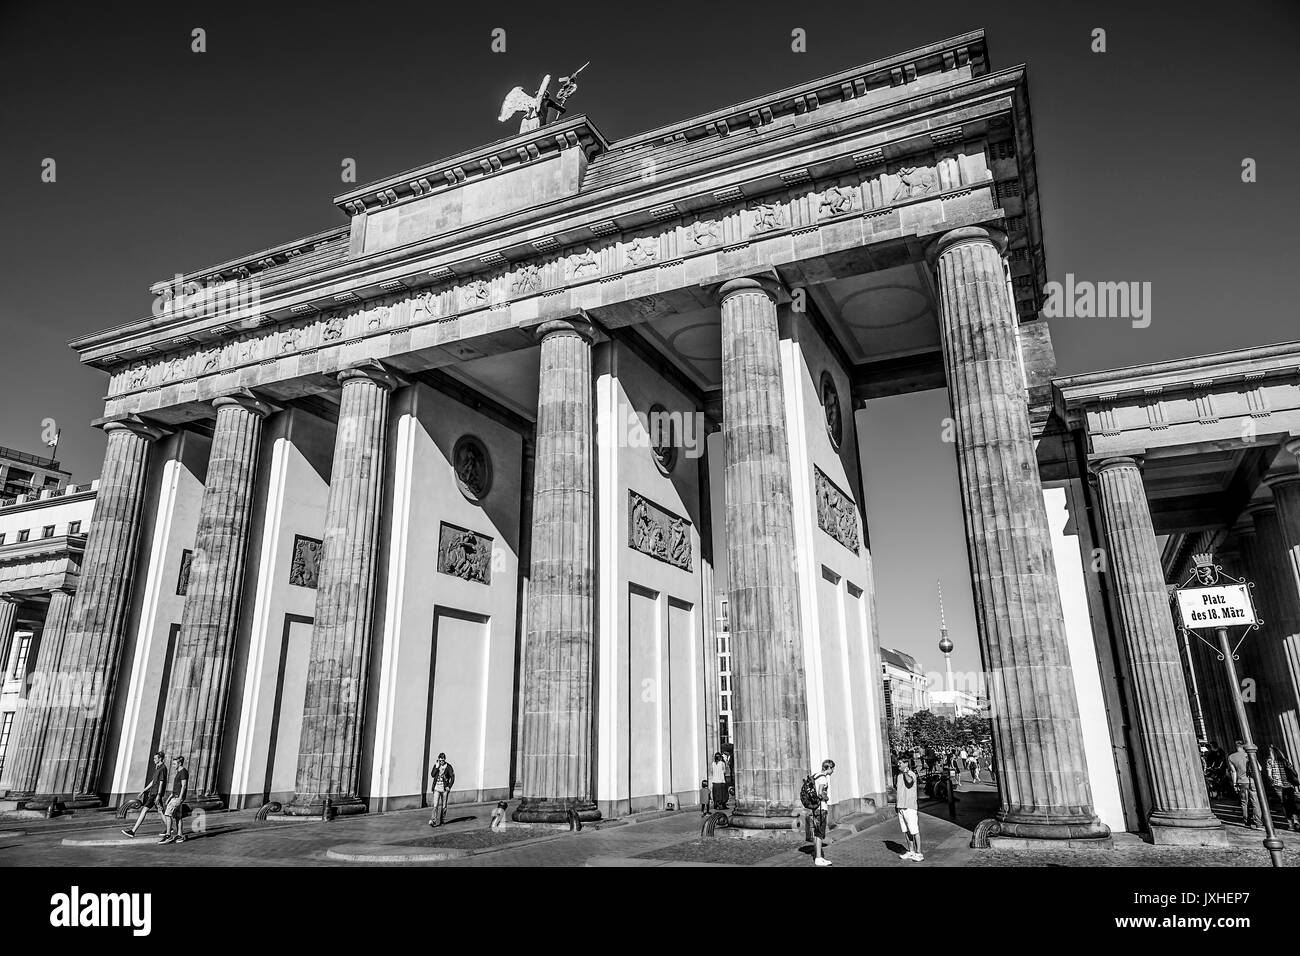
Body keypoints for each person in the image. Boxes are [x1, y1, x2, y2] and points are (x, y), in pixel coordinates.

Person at [121, 751, 167, 839]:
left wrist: (158, 795)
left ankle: (133, 831)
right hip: (154, 792)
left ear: (160, 758)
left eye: (155, 758)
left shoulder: (162, 768)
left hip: (155, 793)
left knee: (144, 811)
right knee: (161, 811)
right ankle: (170, 828)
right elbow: (153, 782)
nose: (153, 760)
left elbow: (161, 783)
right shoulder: (158, 768)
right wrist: (144, 790)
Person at [1265, 745, 1300, 832]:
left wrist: (1273, 781)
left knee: (1284, 804)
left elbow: (1269, 776)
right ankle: (1296, 821)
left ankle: (1290, 824)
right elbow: (1293, 772)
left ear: (1272, 753)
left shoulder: (1270, 761)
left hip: (1278, 786)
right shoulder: (1285, 760)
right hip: (1289, 785)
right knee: (1291, 803)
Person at [1227, 740, 1261, 828]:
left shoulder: (1231, 757)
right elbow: (1259, 768)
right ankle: (1258, 822)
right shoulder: (1250, 754)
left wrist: (1234, 784)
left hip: (1241, 782)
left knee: (1244, 802)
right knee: (1255, 802)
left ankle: (1247, 821)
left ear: (1236, 747)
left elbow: (1233, 772)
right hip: (1253, 781)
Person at [896, 755, 923, 861]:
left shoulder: (911, 774)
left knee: (914, 831)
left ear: (906, 763)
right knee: (906, 830)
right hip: (901, 807)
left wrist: (905, 771)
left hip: (910, 807)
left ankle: (919, 853)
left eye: (900, 763)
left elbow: (909, 782)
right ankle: (911, 851)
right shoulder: (898, 776)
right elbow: (900, 791)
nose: (898, 764)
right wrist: (897, 805)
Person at [810, 758, 836, 867]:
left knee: (817, 833)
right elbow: (820, 793)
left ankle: (818, 855)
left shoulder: (816, 776)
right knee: (819, 833)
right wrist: (826, 797)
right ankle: (819, 858)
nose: (833, 771)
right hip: (821, 808)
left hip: (816, 808)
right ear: (828, 768)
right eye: (832, 768)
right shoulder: (823, 779)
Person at [161, 755, 189, 845]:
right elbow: (176, 787)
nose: (173, 766)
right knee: (178, 817)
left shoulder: (183, 772)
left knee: (167, 814)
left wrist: (180, 798)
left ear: (179, 763)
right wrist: (169, 797)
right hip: (175, 796)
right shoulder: (179, 772)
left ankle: (168, 835)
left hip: (178, 797)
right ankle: (180, 835)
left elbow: (183, 786)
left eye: (174, 764)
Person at [429, 752, 455, 827]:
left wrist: (449, 786)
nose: (441, 762)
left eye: (442, 760)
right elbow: (432, 775)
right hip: (436, 789)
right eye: (440, 760)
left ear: (445, 760)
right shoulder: (437, 765)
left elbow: (452, 778)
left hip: (444, 790)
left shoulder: (449, 767)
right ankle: (433, 821)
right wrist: (437, 767)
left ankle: (442, 820)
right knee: (435, 805)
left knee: (444, 806)